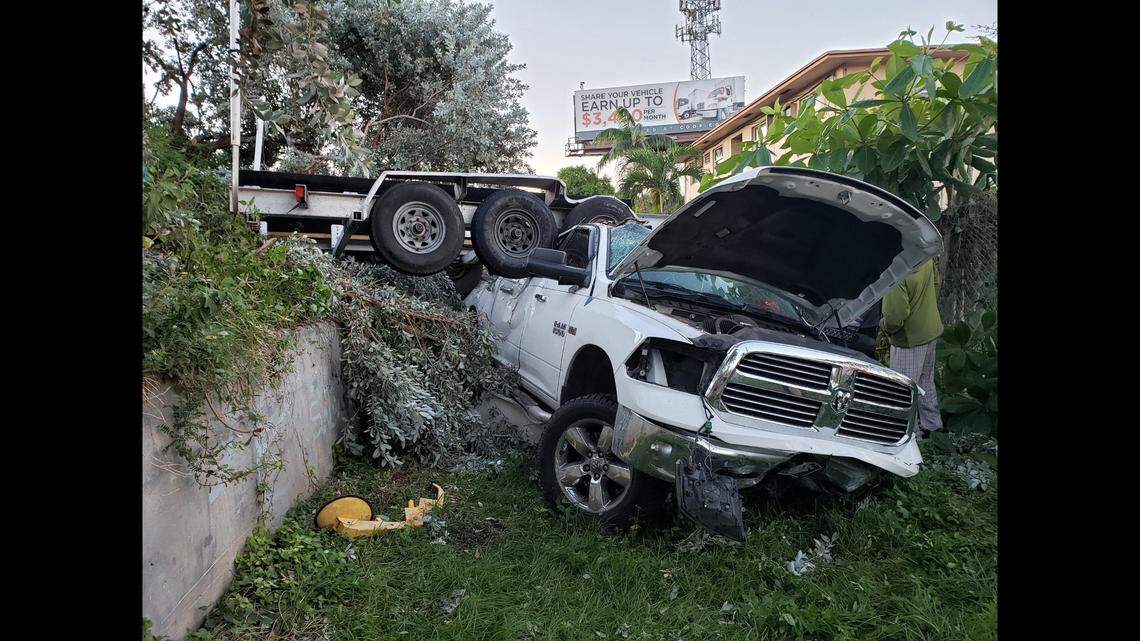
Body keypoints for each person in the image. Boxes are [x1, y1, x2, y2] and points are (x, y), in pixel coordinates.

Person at [880, 259, 944, 440]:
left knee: (902, 389)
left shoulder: (896, 271)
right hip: (931, 330)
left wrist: (883, 325)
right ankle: (933, 427)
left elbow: (895, 317)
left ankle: (910, 436)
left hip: (910, 339)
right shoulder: (924, 256)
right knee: (925, 381)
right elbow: (935, 284)